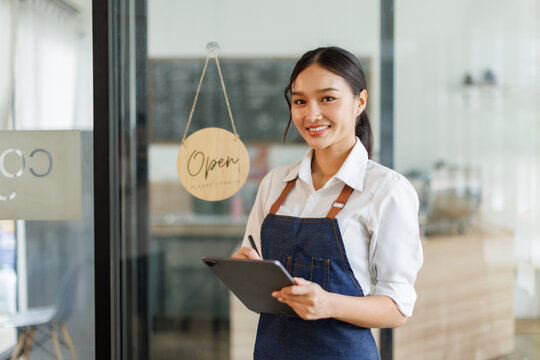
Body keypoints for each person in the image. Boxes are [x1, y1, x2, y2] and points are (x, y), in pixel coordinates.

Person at [233, 46, 423, 360]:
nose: (311, 114)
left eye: (327, 98)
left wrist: (328, 304)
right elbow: (255, 270)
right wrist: (244, 271)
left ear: (360, 101)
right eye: (300, 101)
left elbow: (397, 308)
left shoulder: (386, 190)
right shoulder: (275, 184)